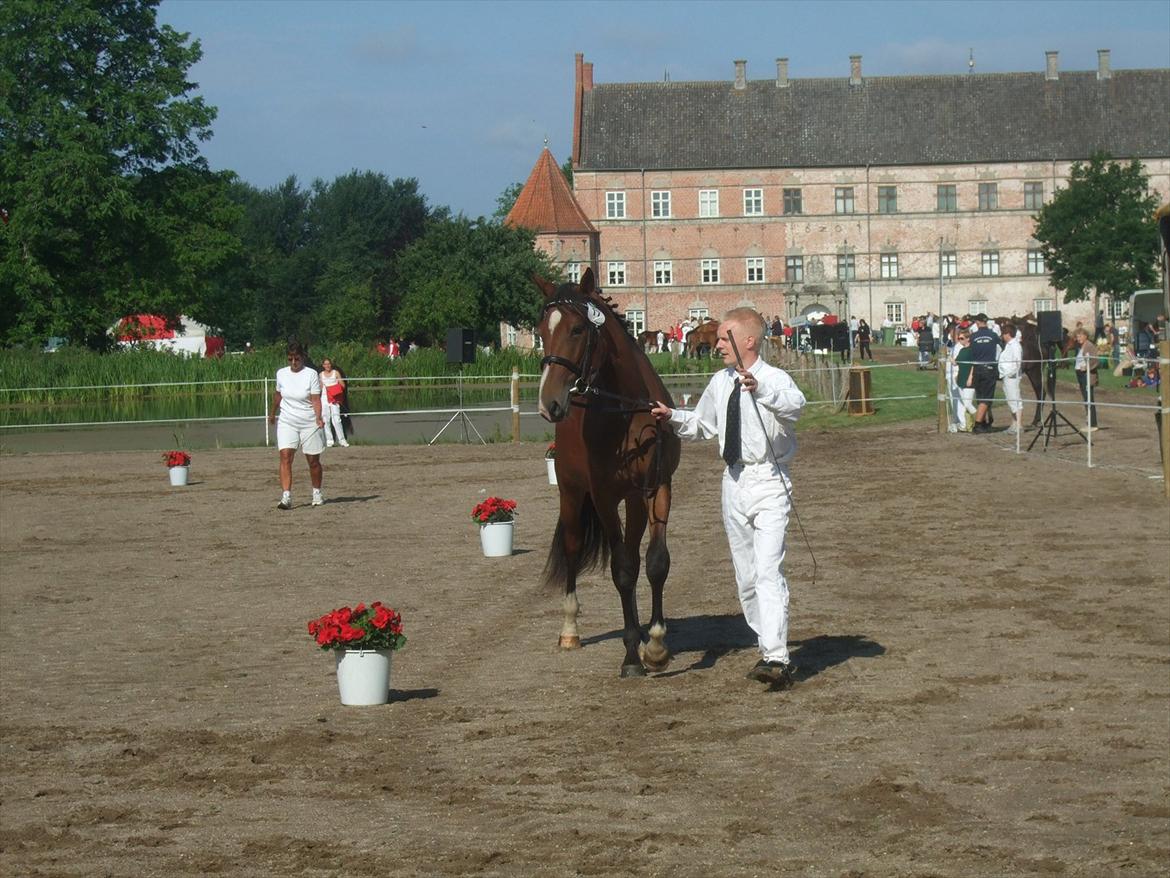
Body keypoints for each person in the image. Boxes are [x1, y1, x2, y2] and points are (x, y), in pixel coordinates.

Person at [649, 308, 807, 689]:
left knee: (769, 571)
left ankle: (776, 656)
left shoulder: (774, 379)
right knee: (747, 577)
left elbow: (795, 407)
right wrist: (671, 416)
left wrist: (761, 390)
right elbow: (703, 425)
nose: (716, 344)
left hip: (769, 480)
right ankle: (765, 641)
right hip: (733, 483)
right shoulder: (720, 382)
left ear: (748, 340)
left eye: (723, 337)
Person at [269, 342, 325, 509]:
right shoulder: (281, 374)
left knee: (313, 460)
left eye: (297, 359)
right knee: (285, 456)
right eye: (290, 359)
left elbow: (315, 399)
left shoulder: (311, 374)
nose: (294, 362)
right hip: (287, 420)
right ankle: (286, 496)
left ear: (303, 358)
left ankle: (316, 491)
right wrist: (273, 413)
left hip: (308, 420)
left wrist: (318, 417)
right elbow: (278, 395)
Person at [968, 314, 1001, 433]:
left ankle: (983, 422)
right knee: (986, 398)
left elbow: (970, 350)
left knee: (980, 396)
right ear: (986, 322)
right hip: (989, 368)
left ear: (977, 322)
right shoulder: (993, 335)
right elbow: (1001, 347)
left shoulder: (973, 336)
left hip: (977, 368)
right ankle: (977, 425)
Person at [318, 358, 350, 448]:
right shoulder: (321, 375)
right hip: (324, 398)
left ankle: (342, 440)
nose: (327, 366)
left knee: (336, 419)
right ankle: (329, 440)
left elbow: (343, 385)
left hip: (334, 398)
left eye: (329, 364)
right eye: (325, 364)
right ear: (323, 365)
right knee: (326, 419)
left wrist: (334, 388)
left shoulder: (336, 373)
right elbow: (319, 388)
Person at [998, 323, 1024, 434]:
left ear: (1008, 334)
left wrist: (1011, 373)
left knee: (1015, 400)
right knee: (1010, 400)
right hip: (1006, 376)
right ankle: (1013, 423)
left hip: (1012, 377)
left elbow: (1018, 362)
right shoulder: (1009, 345)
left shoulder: (1015, 346)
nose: (1002, 336)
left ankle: (1019, 425)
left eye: (1003, 334)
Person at [1072, 328, 1099, 431]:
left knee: (1089, 399)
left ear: (1085, 336)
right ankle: (1089, 422)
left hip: (1087, 375)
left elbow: (1095, 360)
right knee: (1085, 399)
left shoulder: (1089, 346)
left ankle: (1093, 424)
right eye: (1077, 336)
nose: (1078, 339)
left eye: (1079, 336)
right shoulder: (1080, 347)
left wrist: (1087, 367)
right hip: (1081, 375)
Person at [954, 330, 977, 432]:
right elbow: (956, 363)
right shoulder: (962, 350)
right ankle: (967, 425)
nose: (960, 340)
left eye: (962, 338)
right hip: (961, 378)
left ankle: (979, 420)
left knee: (968, 403)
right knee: (964, 403)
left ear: (968, 339)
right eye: (959, 338)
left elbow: (974, 364)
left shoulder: (972, 350)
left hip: (969, 379)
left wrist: (970, 377)